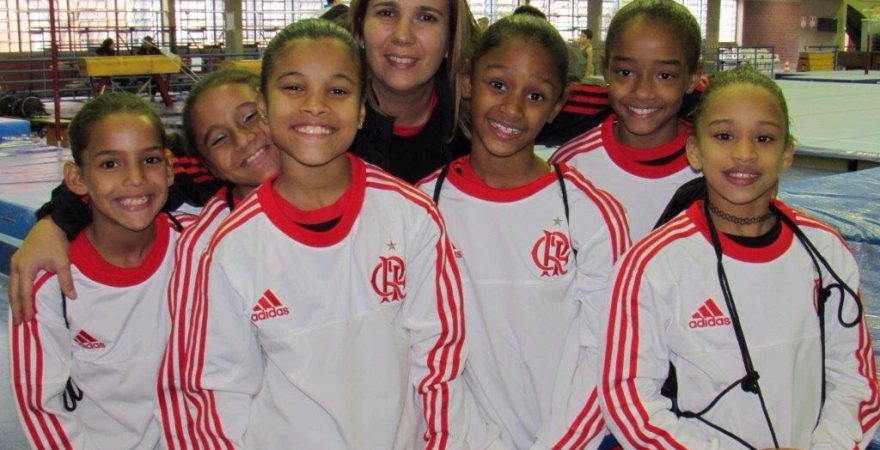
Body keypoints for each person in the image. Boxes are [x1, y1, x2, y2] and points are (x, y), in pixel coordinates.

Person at [183, 19, 468, 448]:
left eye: (337, 91)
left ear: (360, 110)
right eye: (294, 88)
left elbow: (440, 360)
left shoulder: (412, 216)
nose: (315, 105)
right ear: (263, 106)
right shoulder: (230, 248)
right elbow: (221, 389)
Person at [599, 65, 880, 449]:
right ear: (695, 150)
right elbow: (629, 398)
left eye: (764, 138)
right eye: (724, 136)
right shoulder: (653, 266)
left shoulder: (826, 252)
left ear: (787, 154)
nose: (744, 153)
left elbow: (855, 380)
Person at [419, 15, 630, 449]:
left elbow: (608, 354)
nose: (512, 109)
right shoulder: (422, 210)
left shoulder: (589, 212)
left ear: (555, 108)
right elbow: (425, 355)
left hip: (576, 438)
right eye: (497, 85)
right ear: (465, 81)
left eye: (535, 95)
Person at [9, 91, 182, 449]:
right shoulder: (47, 284)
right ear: (76, 178)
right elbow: (42, 408)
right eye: (109, 164)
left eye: (148, 159)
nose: (134, 178)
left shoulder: (200, 247)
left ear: (168, 168)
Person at [155, 68, 281, 448]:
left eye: (250, 117)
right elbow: (199, 388)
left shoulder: (367, 200)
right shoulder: (206, 248)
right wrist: (58, 219)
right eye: (220, 138)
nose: (244, 139)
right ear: (207, 166)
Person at [548, 0, 702, 241]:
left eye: (665, 75)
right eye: (625, 72)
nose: (642, 91)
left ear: (693, 77)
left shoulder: (716, 166)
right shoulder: (571, 166)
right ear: (606, 69)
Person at [135, 36, 174, 108]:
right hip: (144, 71)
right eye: (145, 43)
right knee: (144, 81)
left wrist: (167, 54)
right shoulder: (140, 51)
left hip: (155, 71)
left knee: (158, 80)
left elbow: (167, 55)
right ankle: (138, 95)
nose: (147, 44)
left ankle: (155, 95)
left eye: (148, 43)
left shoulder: (156, 49)